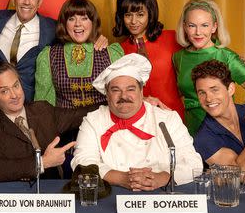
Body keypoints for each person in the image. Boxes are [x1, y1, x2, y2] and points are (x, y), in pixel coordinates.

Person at [71, 54, 202, 190]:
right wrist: (121, 178)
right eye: (115, 90)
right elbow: (82, 163)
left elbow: (194, 163)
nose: (124, 96)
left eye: (130, 89)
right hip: (112, 195)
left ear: (141, 91)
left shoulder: (167, 120)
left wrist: (162, 178)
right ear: (107, 94)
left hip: (160, 194)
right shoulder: (93, 121)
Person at [0, 61, 95, 182]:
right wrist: (42, 163)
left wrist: (112, 102)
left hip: (53, 192)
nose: (14, 95)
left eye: (16, 85)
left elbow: (79, 115)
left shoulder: (42, 109)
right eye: (4, 91)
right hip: (17, 196)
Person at [173, 0, 245, 135]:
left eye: (204, 25)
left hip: (220, 130)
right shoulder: (179, 57)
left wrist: (236, 118)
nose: (198, 32)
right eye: (192, 26)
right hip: (190, 129)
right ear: (184, 27)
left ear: (214, 27)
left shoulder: (226, 56)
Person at [34, 0, 124, 108]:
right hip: (64, 123)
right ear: (64, 23)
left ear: (93, 22)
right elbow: (44, 105)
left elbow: (121, 99)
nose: (78, 24)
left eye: (84, 18)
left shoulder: (112, 54)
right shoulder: (48, 56)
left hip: (102, 123)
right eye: (71, 19)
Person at [113, 0, 184, 118]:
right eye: (128, 15)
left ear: (150, 14)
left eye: (140, 15)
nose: (133, 21)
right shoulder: (118, 50)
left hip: (174, 115)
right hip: (138, 119)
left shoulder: (173, 38)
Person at [0, 0, 56, 102]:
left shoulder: (52, 29)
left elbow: (76, 38)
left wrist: (97, 39)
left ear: (39, 1)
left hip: (31, 106)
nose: (26, 1)